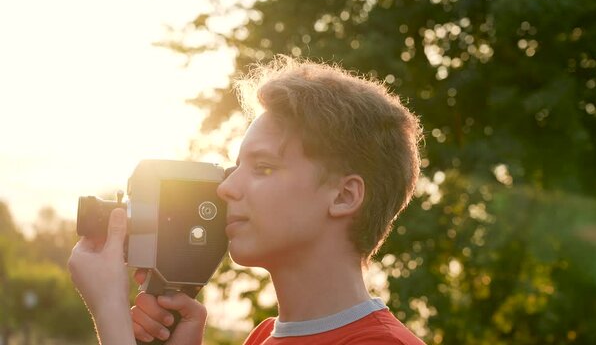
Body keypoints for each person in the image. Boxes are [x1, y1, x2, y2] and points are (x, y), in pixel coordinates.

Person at [68, 56, 426, 345]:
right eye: (236, 167)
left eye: (264, 168)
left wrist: (111, 311)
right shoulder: (261, 337)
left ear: (343, 196)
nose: (226, 188)